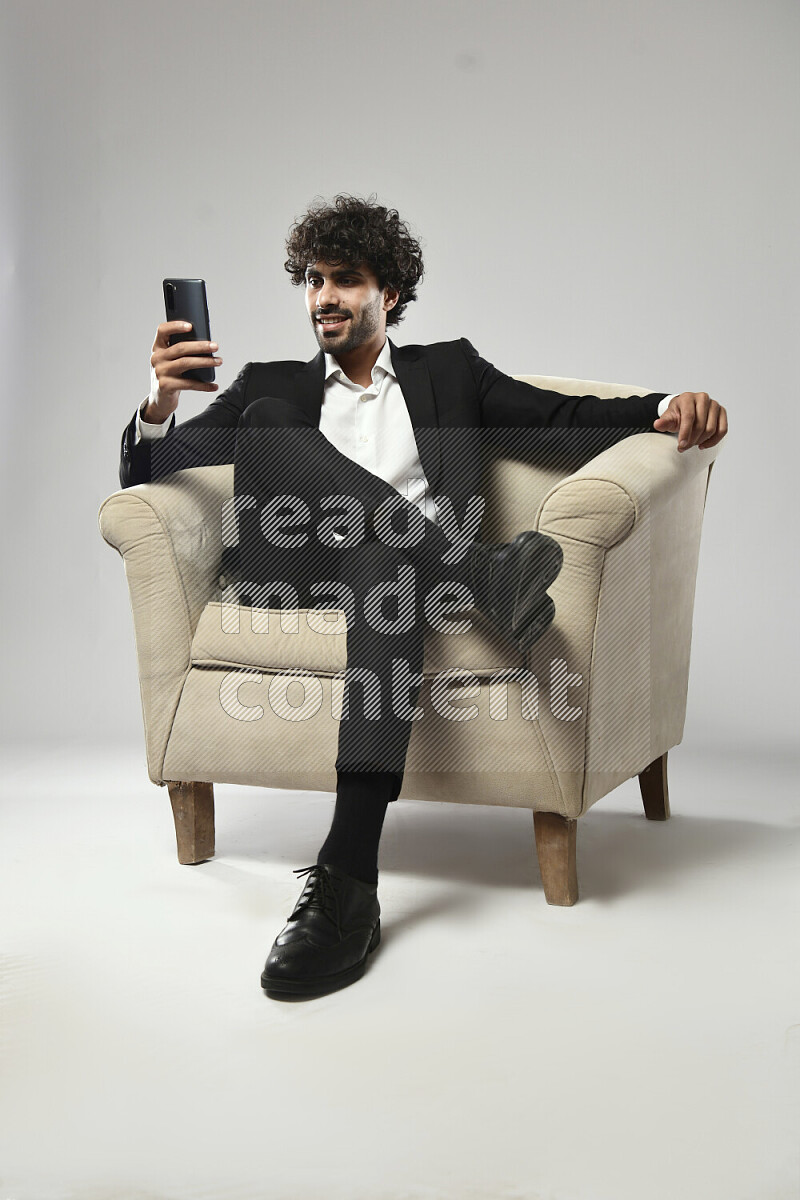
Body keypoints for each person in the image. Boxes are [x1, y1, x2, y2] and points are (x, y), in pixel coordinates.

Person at [119, 194, 728, 1000]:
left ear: (391, 294)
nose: (322, 297)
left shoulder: (451, 373)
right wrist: (160, 405)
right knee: (267, 420)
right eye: (311, 280)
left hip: (397, 581)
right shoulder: (273, 385)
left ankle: (347, 879)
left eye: (344, 280)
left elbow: (561, 420)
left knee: (384, 563)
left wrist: (664, 407)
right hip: (298, 567)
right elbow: (154, 470)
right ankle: (484, 573)